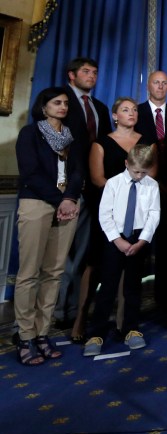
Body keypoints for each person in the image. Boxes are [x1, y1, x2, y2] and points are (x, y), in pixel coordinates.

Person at [67, 98, 156, 343]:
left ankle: (124, 323)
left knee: (131, 269)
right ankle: (82, 318)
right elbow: (97, 178)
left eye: (135, 109)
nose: (132, 113)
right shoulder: (101, 143)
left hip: (138, 213)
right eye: (125, 110)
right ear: (115, 116)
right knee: (97, 264)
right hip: (107, 210)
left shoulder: (146, 142)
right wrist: (121, 194)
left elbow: (152, 175)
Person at [14, 87, 83, 365]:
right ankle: (25, 336)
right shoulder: (30, 134)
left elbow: (77, 172)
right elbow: (30, 173)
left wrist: (70, 198)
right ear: (43, 107)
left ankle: (42, 334)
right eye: (56, 103)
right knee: (29, 274)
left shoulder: (71, 136)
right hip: (37, 202)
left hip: (67, 203)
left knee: (54, 273)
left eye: (65, 103)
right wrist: (60, 200)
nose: (62, 107)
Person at [83, 145, 160, 356]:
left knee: (133, 287)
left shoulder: (152, 185)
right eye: (136, 172)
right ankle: (96, 334)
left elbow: (154, 214)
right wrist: (117, 240)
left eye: (144, 172)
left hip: (138, 239)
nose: (140, 176)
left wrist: (142, 241)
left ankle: (131, 329)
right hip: (114, 239)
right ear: (127, 164)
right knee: (107, 287)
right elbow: (104, 214)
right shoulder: (113, 183)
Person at [55, 57, 111, 332]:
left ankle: (75, 309)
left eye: (95, 72)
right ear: (72, 75)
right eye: (86, 71)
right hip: (65, 188)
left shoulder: (99, 107)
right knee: (61, 254)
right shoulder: (59, 101)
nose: (92, 76)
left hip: (93, 189)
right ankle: (57, 310)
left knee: (83, 254)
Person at [135, 70, 167, 324]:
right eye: (156, 82)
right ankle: (131, 306)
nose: (161, 86)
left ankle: (166, 302)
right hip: (142, 191)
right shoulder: (135, 113)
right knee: (138, 249)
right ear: (149, 86)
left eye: (165, 83)